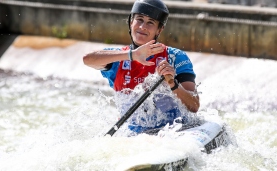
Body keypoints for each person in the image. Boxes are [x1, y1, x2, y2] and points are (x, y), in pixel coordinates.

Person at [83, 0, 200, 134]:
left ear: (159, 30)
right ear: (131, 22)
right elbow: (87, 59)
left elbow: (194, 106)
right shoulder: (119, 57)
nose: (143, 27)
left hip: (173, 132)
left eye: (150, 22)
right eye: (139, 20)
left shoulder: (175, 57)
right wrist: (133, 55)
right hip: (134, 136)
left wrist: (173, 84)